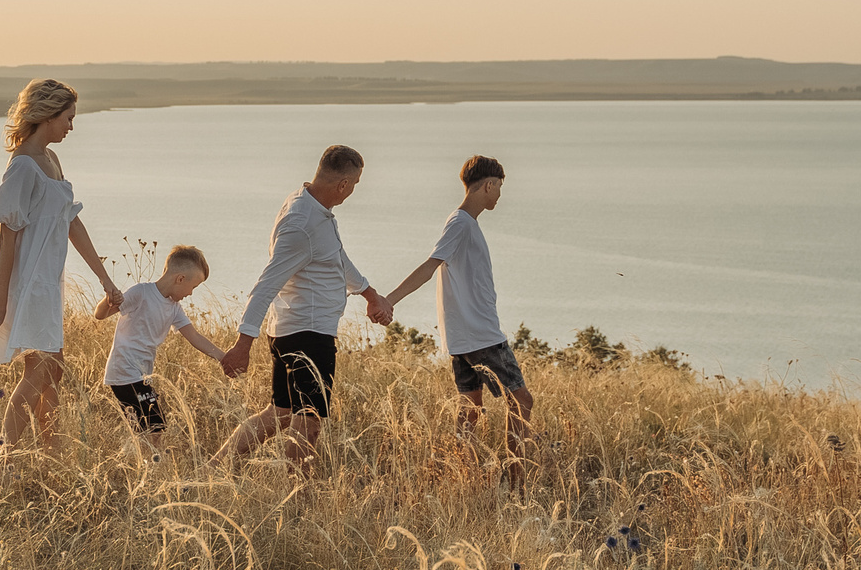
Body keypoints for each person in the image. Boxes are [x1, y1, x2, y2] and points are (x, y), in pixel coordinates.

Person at [219, 145, 394, 469]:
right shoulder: (301, 223)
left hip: (297, 329)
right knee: (309, 421)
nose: (354, 190)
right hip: (307, 334)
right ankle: (298, 498)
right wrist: (243, 344)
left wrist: (370, 294)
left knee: (281, 413)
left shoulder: (314, 210)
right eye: (355, 183)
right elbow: (266, 285)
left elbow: (336, 258)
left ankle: (216, 467)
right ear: (343, 184)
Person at [0, 78, 124, 451]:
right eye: (68, 118)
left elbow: (71, 223)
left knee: (54, 370)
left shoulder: (51, 159)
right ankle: (5, 460)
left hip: (49, 282)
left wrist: (105, 280)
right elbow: (6, 237)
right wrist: (0, 302)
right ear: (48, 115)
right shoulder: (22, 167)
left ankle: (51, 452)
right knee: (40, 370)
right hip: (30, 283)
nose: (71, 126)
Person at [382, 154, 533, 485]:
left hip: (462, 336)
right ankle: (516, 487)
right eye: (499, 188)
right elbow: (430, 265)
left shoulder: (464, 223)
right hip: (481, 335)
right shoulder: (461, 223)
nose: (499, 195)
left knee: (472, 409)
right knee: (521, 401)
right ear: (489, 185)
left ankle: (454, 476)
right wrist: (388, 300)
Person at [92, 244, 228, 462]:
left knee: (153, 426)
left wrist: (223, 358)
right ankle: (146, 468)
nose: (191, 293)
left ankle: (143, 465)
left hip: (141, 375)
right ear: (180, 279)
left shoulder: (173, 307)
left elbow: (194, 336)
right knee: (153, 425)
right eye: (193, 287)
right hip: (124, 372)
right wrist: (109, 298)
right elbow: (100, 314)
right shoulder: (141, 293)